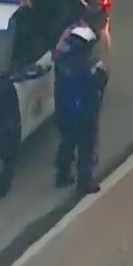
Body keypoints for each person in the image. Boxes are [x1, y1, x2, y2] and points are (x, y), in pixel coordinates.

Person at [49, 24, 108, 194]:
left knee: (67, 142)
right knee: (85, 148)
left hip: (64, 111)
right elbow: (98, 82)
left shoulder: (62, 61)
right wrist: (100, 74)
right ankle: (84, 183)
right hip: (85, 112)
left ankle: (62, 175)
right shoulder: (88, 65)